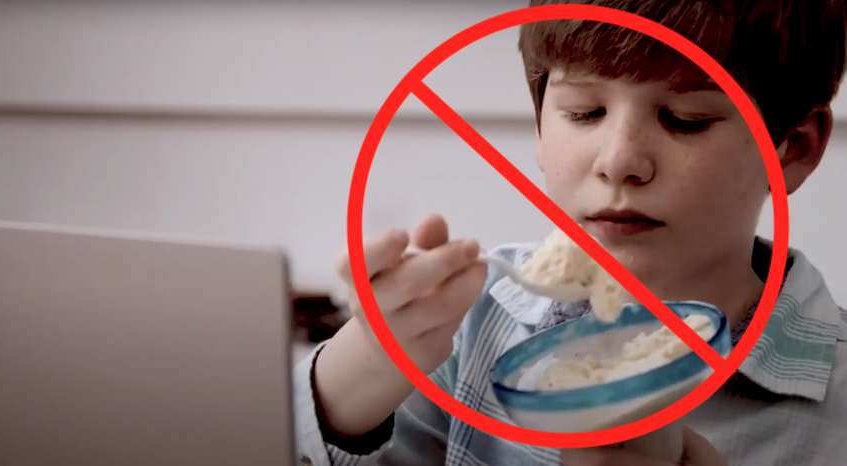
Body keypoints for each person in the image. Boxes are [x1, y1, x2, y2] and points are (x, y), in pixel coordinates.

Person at [293, 0, 847, 464]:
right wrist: (362, 368)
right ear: (538, 126)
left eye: (685, 119)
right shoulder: (467, 326)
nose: (619, 161)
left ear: (792, 148)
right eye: (585, 112)